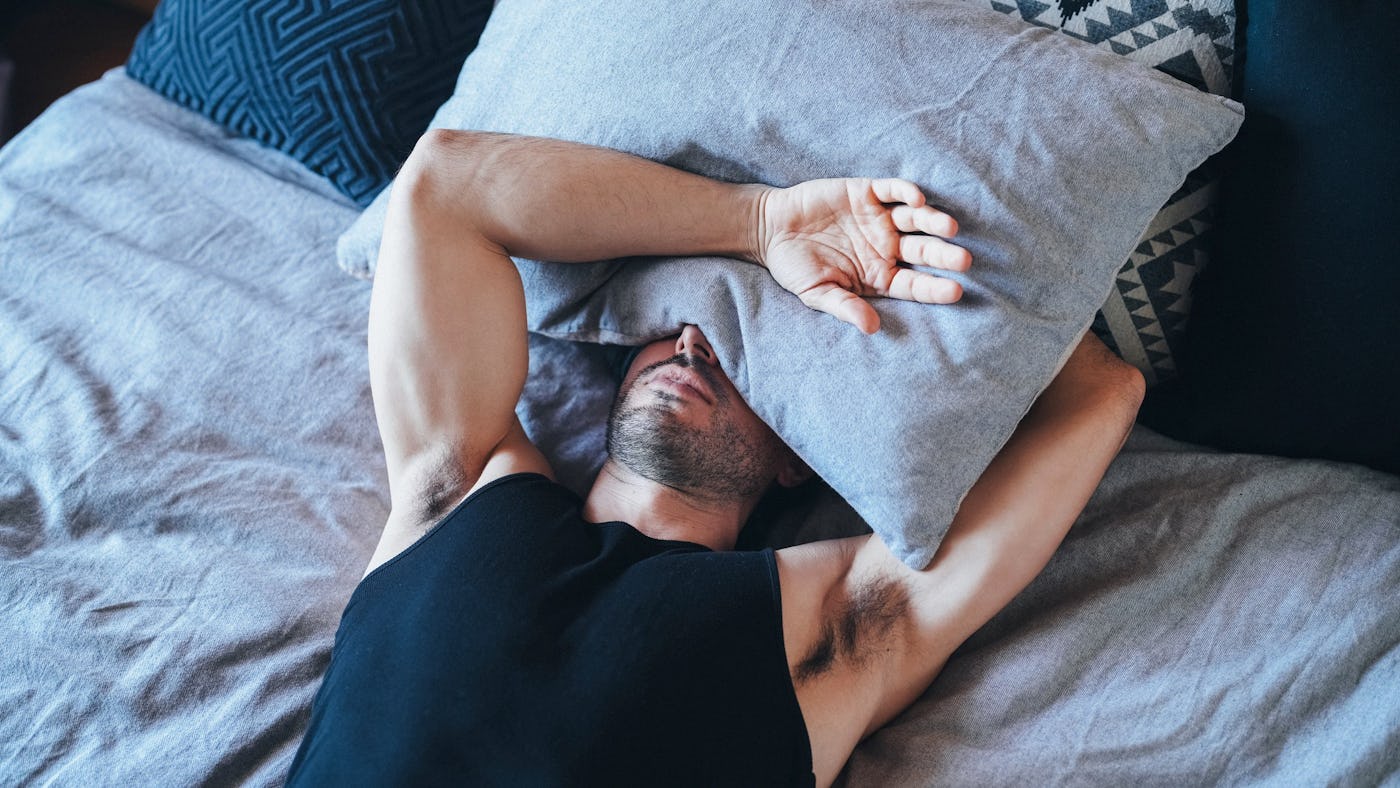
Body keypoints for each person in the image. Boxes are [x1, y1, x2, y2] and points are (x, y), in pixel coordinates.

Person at [287, 131, 1145, 787]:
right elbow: (446, 184)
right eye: (674, 327)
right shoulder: (456, 487)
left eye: (745, 355)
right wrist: (759, 223)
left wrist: (940, 242)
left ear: (797, 458)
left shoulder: (840, 629)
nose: (697, 340)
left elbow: (1100, 397)